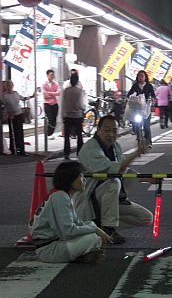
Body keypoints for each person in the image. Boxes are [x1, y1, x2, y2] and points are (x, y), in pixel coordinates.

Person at [74, 115, 153, 243]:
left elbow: (123, 170)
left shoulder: (115, 146)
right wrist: (136, 153)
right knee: (113, 181)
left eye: (114, 131)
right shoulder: (90, 149)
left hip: (110, 200)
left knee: (146, 218)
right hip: (89, 198)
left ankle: (98, 225)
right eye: (106, 130)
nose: (111, 134)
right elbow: (112, 170)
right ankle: (108, 228)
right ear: (98, 130)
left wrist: (145, 178)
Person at [31, 161, 113, 263]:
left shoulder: (61, 195)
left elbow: (76, 224)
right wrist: (94, 229)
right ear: (69, 179)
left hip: (52, 244)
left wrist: (94, 227)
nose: (84, 179)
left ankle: (83, 255)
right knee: (94, 238)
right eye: (80, 176)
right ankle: (81, 256)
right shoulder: (60, 197)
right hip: (50, 249)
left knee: (93, 234)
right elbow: (68, 232)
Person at [0, 80, 33, 156]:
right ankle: (13, 149)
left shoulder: (16, 93)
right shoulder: (4, 96)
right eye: (7, 86)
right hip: (11, 116)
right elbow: (3, 107)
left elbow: (23, 98)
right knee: (13, 133)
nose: (9, 87)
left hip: (19, 114)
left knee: (20, 133)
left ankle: (21, 150)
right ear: (5, 87)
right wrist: (8, 114)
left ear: (12, 86)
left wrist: (31, 96)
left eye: (10, 85)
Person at [127, 70, 155, 148]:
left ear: (145, 77)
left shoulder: (149, 86)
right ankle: (137, 135)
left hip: (146, 108)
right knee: (136, 123)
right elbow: (129, 94)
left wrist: (152, 99)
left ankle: (149, 142)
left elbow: (153, 95)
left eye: (142, 76)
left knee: (146, 125)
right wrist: (128, 98)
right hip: (137, 108)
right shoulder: (135, 86)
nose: (141, 77)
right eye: (139, 76)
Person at [62, 72, 85, 160]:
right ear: (77, 81)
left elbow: (63, 103)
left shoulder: (66, 91)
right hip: (77, 115)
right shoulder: (79, 91)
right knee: (79, 135)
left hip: (67, 115)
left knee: (67, 136)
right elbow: (80, 105)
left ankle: (66, 153)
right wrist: (83, 108)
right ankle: (80, 152)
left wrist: (62, 114)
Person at [42, 69, 60, 139]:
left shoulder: (56, 83)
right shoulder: (44, 84)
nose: (52, 76)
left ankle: (51, 133)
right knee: (49, 119)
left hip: (55, 103)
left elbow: (58, 93)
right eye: (51, 75)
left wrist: (49, 93)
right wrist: (53, 94)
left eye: (53, 74)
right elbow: (45, 95)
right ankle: (48, 134)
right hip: (47, 104)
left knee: (54, 119)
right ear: (47, 75)